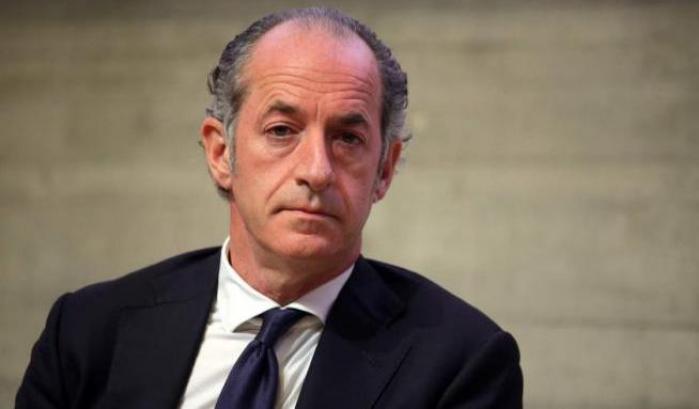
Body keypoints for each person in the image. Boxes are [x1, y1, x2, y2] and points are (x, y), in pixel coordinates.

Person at [16, 7, 523, 409]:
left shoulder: (462, 362)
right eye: (282, 130)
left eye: (348, 138)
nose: (317, 170)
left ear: (384, 171)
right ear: (222, 154)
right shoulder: (87, 332)